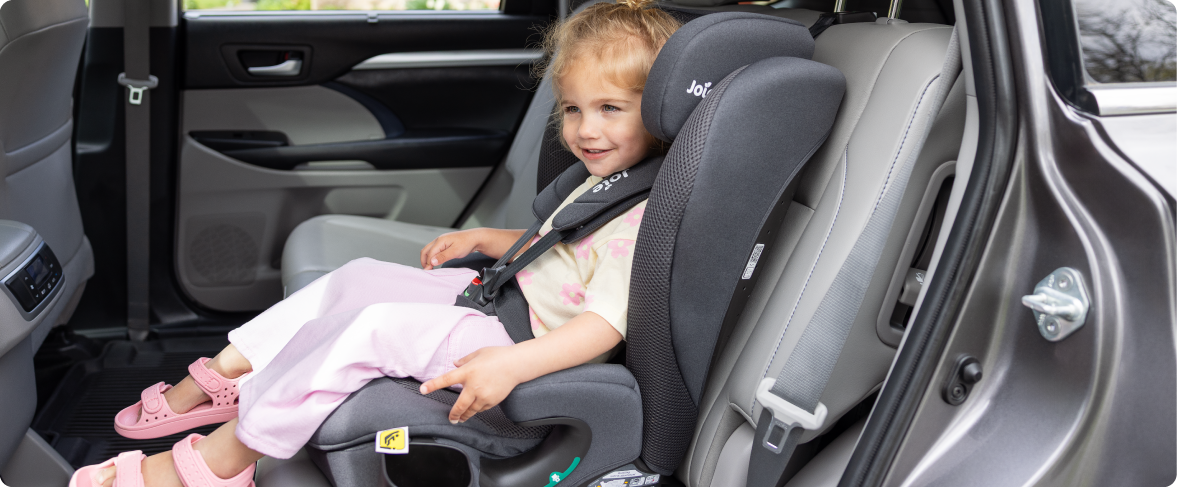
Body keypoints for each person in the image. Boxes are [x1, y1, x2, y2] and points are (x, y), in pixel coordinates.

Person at [71, 1, 681, 485]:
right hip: (500, 299)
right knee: (359, 277)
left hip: (524, 343)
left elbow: (604, 325)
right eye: (573, 109)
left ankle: (221, 461)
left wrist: (512, 365)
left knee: (374, 327)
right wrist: (488, 240)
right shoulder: (607, 181)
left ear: (656, 113)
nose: (585, 129)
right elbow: (557, 244)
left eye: (610, 108)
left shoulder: (641, 217)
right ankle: (229, 375)